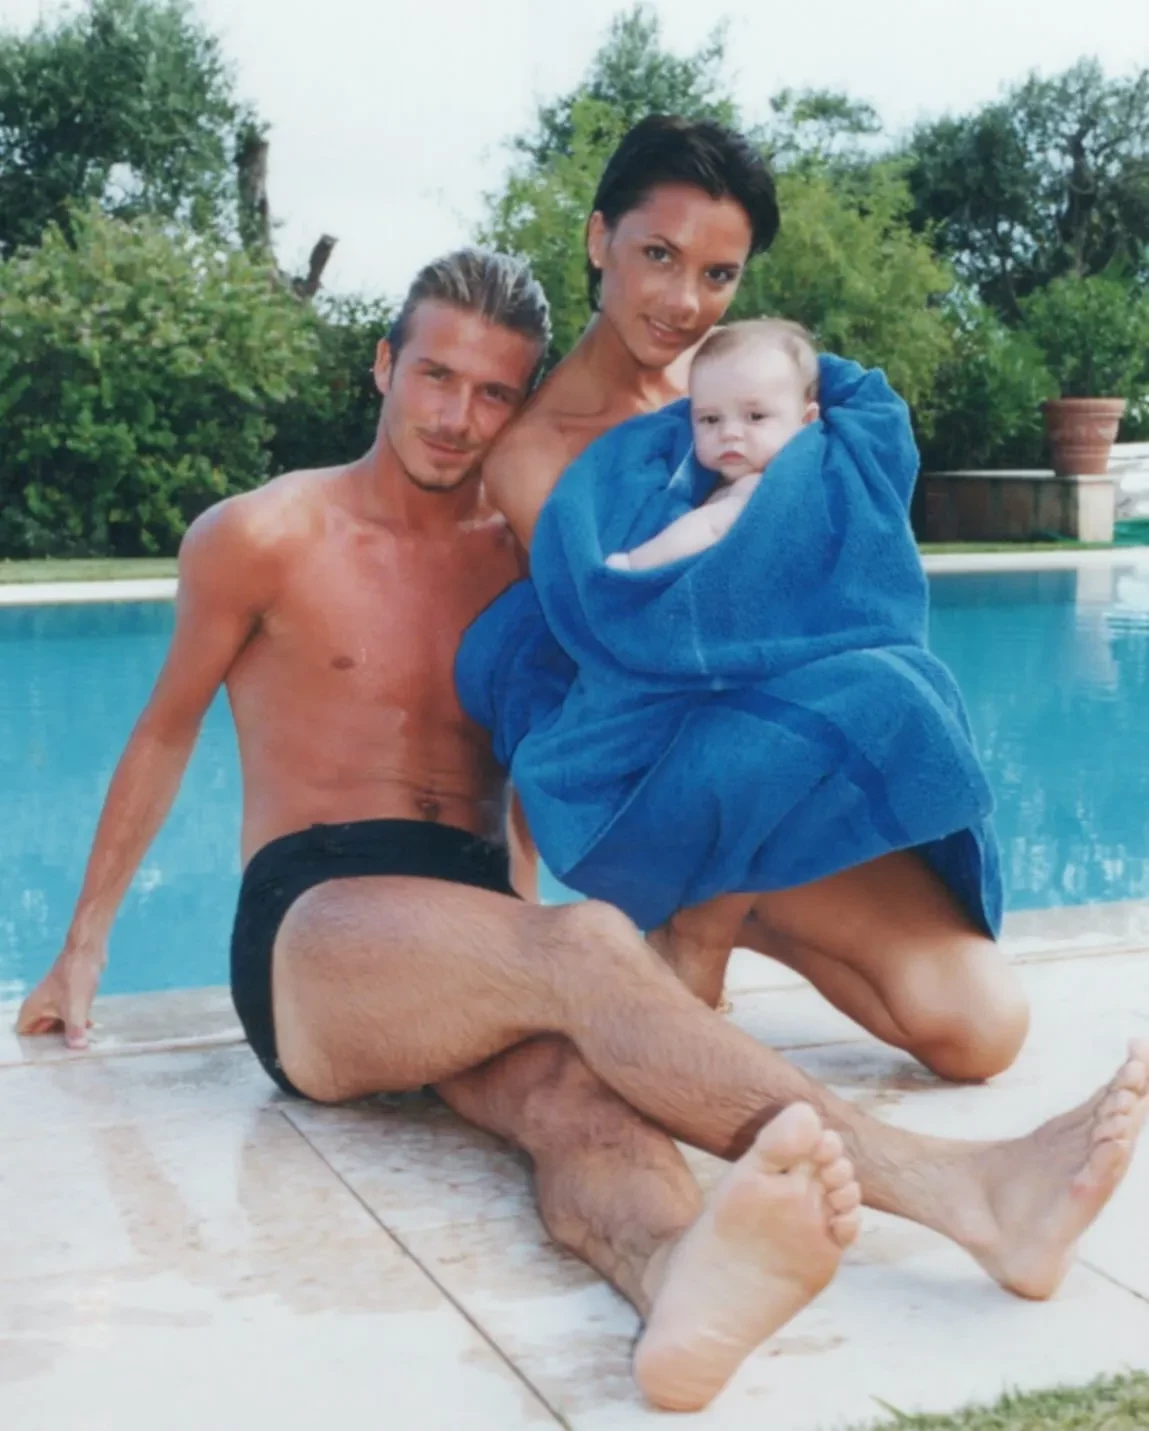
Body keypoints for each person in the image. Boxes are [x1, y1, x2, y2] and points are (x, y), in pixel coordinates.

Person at [13, 250, 1147, 1416]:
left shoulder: (535, 558)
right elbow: (163, 733)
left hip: (470, 925)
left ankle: (672, 1282)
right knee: (588, 943)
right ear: (384, 365)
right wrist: (83, 945)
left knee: (577, 1099)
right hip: (317, 916)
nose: (458, 416)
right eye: (436, 376)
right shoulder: (261, 533)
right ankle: (967, 1194)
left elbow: (613, 692)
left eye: (494, 393)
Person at [483, 114, 1030, 1079]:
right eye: (658, 255)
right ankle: (698, 912)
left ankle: (721, 912)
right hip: (677, 793)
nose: (683, 300)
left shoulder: (746, 391)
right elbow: (589, 659)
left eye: (718, 273)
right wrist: (525, 933)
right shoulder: (540, 460)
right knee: (970, 1023)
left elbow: (841, 507)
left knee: (981, 1027)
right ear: (598, 239)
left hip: (795, 763)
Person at [605, 317, 819, 571]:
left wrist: (635, 562)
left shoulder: (759, 485)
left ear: (806, 421)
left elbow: (710, 528)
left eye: (755, 416)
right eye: (710, 419)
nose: (728, 433)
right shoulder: (716, 481)